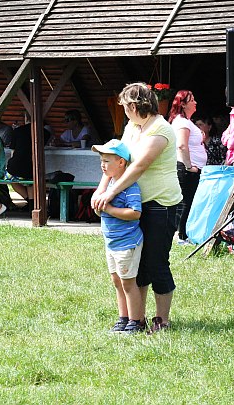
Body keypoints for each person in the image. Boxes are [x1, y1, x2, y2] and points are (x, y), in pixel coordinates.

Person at [92, 83, 181, 334]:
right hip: (135, 202)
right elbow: (117, 160)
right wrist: (102, 188)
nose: (124, 113)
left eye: (125, 107)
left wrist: (111, 193)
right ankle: (136, 319)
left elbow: (138, 166)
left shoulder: (162, 129)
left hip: (161, 204)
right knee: (137, 264)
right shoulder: (131, 127)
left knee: (156, 262)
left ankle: (162, 320)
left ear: (134, 106)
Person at [91, 139, 144, 334]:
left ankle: (135, 321)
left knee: (128, 283)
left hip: (126, 243)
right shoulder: (109, 184)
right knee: (117, 281)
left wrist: (110, 209)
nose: (102, 165)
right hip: (111, 243)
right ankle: (123, 318)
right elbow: (101, 209)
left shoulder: (130, 187)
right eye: (101, 161)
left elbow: (135, 213)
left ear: (121, 162)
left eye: (106, 161)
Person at [168, 90, 206, 244]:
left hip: (191, 168)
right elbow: (182, 146)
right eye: (192, 100)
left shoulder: (186, 122)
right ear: (183, 104)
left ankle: (185, 233)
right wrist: (189, 166)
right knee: (186, 202)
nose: (195, 102)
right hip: (187, 169)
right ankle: (182, 236)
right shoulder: (182, 122)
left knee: (188, 201)